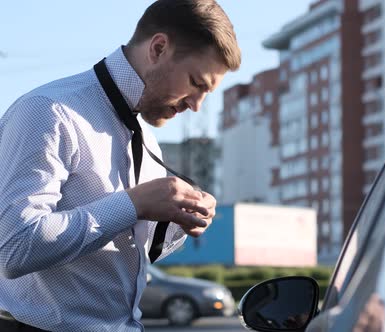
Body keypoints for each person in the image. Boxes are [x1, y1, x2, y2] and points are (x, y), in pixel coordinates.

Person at [0, 0, 241, 330]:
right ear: (158, 48)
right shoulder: (48, 112)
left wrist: (177, 216)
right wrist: (134, 204)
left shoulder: (145, 134)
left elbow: (119, 262)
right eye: (196, 83)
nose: (196, 106)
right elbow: (14, 248)